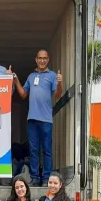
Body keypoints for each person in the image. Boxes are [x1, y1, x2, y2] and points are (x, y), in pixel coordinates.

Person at [13, 49, 63, 186]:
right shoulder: (31, 76)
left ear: (48, 60)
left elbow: (57, 95)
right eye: (40, 58)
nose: (42, 60)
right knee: (33, 150)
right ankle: (35, 178)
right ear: (36, 59)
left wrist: (59, 83)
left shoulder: (52, 76)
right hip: (32, 120)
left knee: (47, 150)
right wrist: (16, 81)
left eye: (44, 58)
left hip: (46, 120)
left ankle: (46, 178)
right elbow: (23, 94)